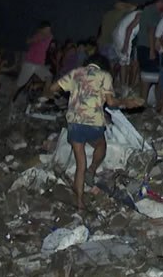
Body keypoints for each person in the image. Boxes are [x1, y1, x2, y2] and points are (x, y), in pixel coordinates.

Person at [50, 54, 141, 210]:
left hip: (74, 123)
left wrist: (60, 96)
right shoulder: (104, 75)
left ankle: (79, 202)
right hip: (93, 123)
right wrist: (127, 102)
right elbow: (111, 102)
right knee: (101, 146)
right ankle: (92, 170)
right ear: (103, 66)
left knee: (80, 164)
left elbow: (52, 88)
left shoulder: (76, 72)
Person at [137, 0, 163, 104]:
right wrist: (152, 50)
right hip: (147, 47)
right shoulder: (153, 12)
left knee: (146, 77)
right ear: (161, 2)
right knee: (153, 77)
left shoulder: (147, 10)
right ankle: (149, 103)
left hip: (142, 46)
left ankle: (143, 103)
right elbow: (151, 31)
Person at [12, 21, 54, 102]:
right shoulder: (39, 35)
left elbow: (49, 37)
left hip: (39, 65)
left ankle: (44, 96)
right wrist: (36, 37)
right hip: (30, 64)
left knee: (49, 76)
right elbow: (29, 41)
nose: (48, 32)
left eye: (49, 30)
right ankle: (9, 100)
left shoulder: (49, 36)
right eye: (47, 30)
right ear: (42, 29)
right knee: (19, 84)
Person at [98, 0, 134, 66]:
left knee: (104, 65)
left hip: (103, 42)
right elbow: (135, 8)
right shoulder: (123, 13)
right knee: (113, 65)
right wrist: (127, 5)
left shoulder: (107, 14)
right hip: (112, 43)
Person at [113, 6, 143, 87]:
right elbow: (129, 29)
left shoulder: (134, 14)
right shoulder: (141, 14)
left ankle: (122, 84)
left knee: (124, 62)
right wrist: (126, 45)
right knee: (124, 61)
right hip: (123, 38)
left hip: (120, 36)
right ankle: (124, 86)